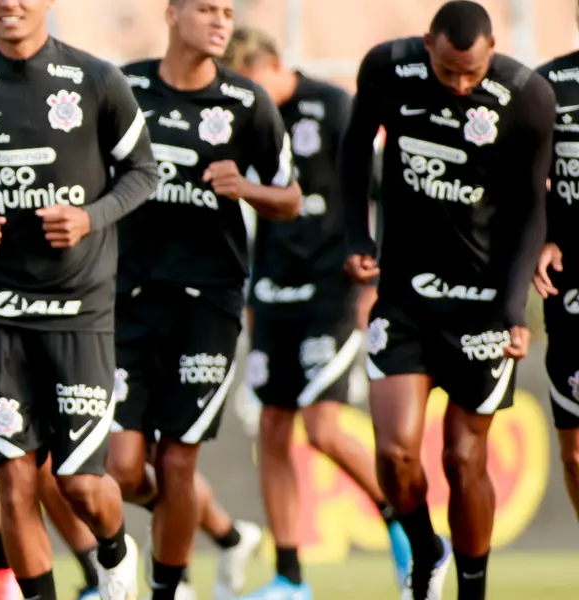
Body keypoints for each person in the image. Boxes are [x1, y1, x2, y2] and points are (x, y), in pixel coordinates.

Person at [0, 0, 160, 599]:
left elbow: (143, 171)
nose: (10, 3)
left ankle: (115, 549)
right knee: (14, 483)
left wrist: (89, 217)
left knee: (80, 485)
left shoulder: (96, 78)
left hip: (80, 308)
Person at [340, 2, 554, 599]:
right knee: (395, 455)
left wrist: (512, 310)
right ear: (427, 42)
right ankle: (424, 549)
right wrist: (357, 237)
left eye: (472, 72)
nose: (460, 85)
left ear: (493, 51)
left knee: (463, 458)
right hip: (405, 299)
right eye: (448, 70)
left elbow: (532, 211)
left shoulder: (526, 96)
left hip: (483, 304)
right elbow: (353, 151)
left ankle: (472, 590)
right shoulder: (386, 69)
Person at [112, 1, 303, 598]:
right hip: (125, 301)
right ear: (173, 14)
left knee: (177, 462)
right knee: (121, 467)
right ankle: (212, 527)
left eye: (227, 11)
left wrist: (244, 187)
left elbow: (291, 198)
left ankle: (168, 589)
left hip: (207, 306)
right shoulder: (122, 88)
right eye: (206, 9)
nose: (222, 21)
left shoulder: (248, 102)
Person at [222, 26, 413, 598]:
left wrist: (374, 279)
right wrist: (251, 296)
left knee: (323, 428)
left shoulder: (333, 105)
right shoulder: (249, 120)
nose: (247, 94)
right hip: (273, 292)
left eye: (250, 81)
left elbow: (383, 190)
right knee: (273, 430)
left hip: (332, 288)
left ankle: (405, 522)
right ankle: (289, 578)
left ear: (272, 64)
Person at [534, 33, 579, 524]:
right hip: (569, 282)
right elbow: (523, 178)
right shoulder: (549, 85)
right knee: (576, 455)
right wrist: (542, 238)